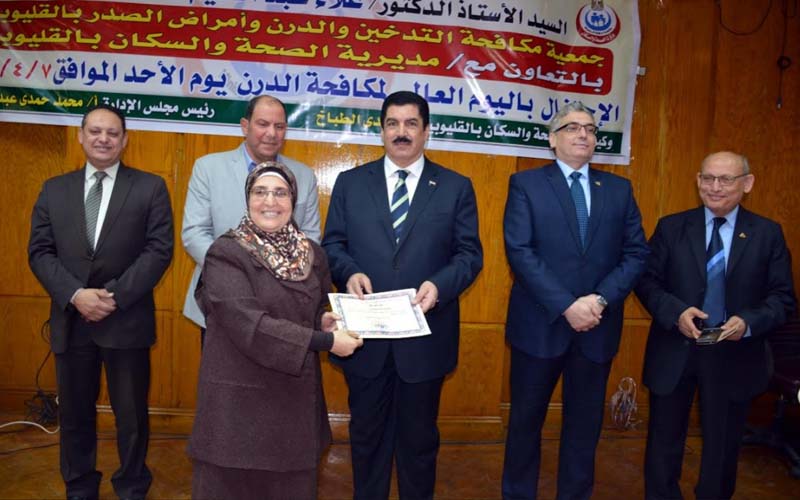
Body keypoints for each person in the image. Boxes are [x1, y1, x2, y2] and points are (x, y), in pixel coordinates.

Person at [321, 90, 483, 500]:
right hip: (366, 339)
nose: (401, 132)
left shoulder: (455, 187)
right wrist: (350, 272)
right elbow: (332, 246)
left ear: (426, 131)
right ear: (381, 131)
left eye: (411, 124)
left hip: (425, 339)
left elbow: (469, 255)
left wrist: (439, 285)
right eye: (392, 123)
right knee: (366, 437)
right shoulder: (350, 183)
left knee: (419, 443)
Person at [187, 161, 362, 499]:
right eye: (260, 192)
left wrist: (323, 320)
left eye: (280, 193)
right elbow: (250, 325)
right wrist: (325, 340)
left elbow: (313, 308)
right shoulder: (226, 252)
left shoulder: (312, 254)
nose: (270, 201)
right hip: (237, 412)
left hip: (293, 407)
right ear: (248, 198)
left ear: (293, 200)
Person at [501, 101, 649, 499]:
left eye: (590, 128)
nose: (583, 134)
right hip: (539, 327)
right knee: (525, 423)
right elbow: (520, 252)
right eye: (572, 127)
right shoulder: (526, 185)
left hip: (597, 328)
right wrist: (568, 305)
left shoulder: (618, 190)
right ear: (553, 139)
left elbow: (636, 253)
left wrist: (599, 301)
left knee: (585, 427)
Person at [28, 104, 174, 500]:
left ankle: (131, 486)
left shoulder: (150, 187)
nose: (103, 139)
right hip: (71, 319)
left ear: (125, 140)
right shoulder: (54, 189)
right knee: (75, 413)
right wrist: (76, 295)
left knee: (132, 417)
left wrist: (114, 296)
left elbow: (159, 250)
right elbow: (40, 251)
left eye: (112, 133)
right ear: (80, 136)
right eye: (95, 131)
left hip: (125, 319)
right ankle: (79, 486)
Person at [635, 151, 796, 500]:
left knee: (722, 448)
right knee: (663, 443)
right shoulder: (671, 227)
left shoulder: (767, 234)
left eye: (725, 179)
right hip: (676, 347)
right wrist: (676, 312)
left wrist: (748, 322)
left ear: (747, 184)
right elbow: (646, 281)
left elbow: (782, 298)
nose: (715, 187)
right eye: (707, 178)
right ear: (698, 181)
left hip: (734, 353)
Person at [182, 95, 321, 344]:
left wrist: (279, 276)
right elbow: (194, 234)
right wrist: (237, 272)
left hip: (285, 307)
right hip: (222, 302)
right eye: (263, 124)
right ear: (245, 126)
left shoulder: (304, 175)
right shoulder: (208, 168)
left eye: (279, 126)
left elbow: (310, 237)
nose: (271, 133)